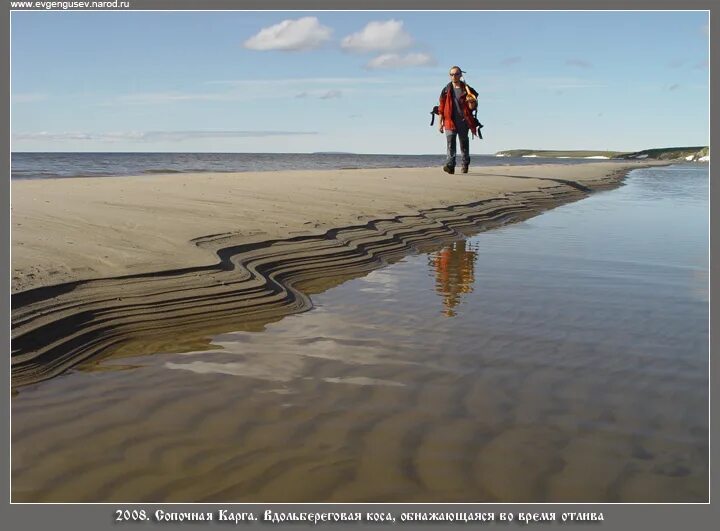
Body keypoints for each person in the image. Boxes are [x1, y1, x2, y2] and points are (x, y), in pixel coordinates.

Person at [438, 66, 479, 174]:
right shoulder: (446, 90)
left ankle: (465, 163)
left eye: (456, 74)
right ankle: (450, 165)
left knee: (463, 143)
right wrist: (440, 123)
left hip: (463, 121)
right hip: (449, 121)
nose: (454, 76)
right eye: (451, 74)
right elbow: (441, 107)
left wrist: (472, 102)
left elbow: (473, 107)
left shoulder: (467, 89)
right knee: (451, 143)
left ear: (461, 75)